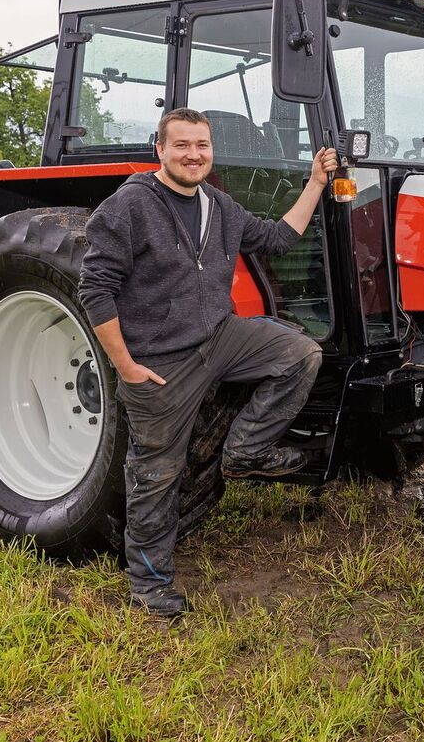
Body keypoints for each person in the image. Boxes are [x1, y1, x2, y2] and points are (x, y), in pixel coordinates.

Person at [78, 107, 338, 617]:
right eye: (182, 145)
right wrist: (127, 367)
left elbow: (276, 239)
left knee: (299, 352)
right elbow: (95, 289)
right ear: (160, 149)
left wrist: (315, 183)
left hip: (218, 337)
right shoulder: (129, 206)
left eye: (201, 145)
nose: (193, 155)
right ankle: (150, 586)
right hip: (160, 359)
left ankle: (243, 451)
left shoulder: (217, 204)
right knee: (157, 472)